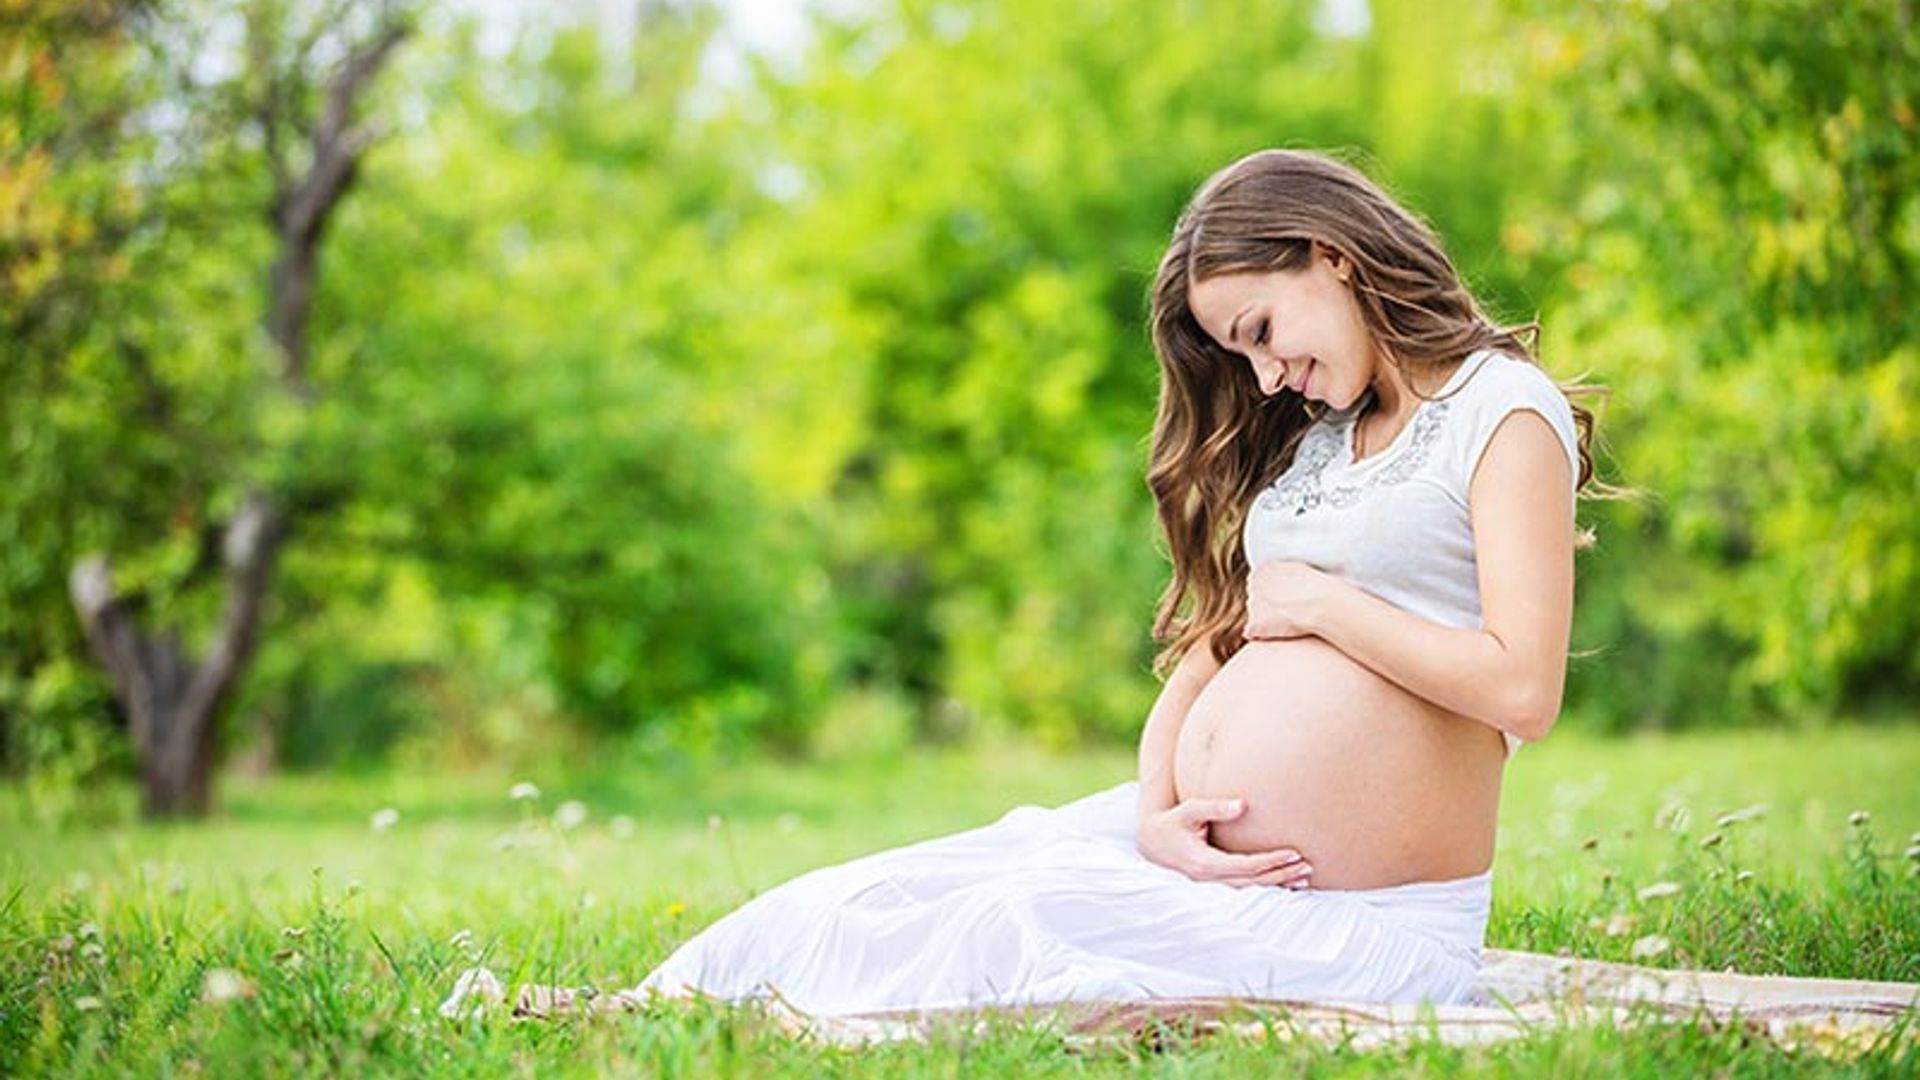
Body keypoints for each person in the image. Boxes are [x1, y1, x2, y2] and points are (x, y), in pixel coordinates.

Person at [625, 148, 1609, 1015]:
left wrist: (1325, 607)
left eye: (1262, 329)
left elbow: (1523, 689)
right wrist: (1156, 814)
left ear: (1330, 255)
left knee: (1014, 924)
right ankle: (644, 1008)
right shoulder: (1325, 442)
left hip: (1365, 920)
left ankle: (733, 1015)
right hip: (1207, 867)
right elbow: (1215, 651)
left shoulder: (1502, 413)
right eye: (1242, 351)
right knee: (905, 889)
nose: (1266, 377)